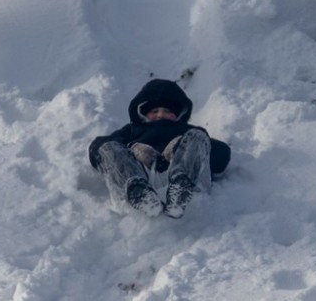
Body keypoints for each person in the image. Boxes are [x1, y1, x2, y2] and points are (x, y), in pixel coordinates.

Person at [87, 78, 232, 218]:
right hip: (140, 174)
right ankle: (139, 192)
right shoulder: (131, 131)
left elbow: (222, 155)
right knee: (109, 147)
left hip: (187, 180)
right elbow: (99, 149)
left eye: (167, 111)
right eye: (154, 110)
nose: (161, 114)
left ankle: (181, 187)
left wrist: (179, 148)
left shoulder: (188, 131)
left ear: (179, 113)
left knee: (198, 137)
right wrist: (133, 149)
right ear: (142, 112)